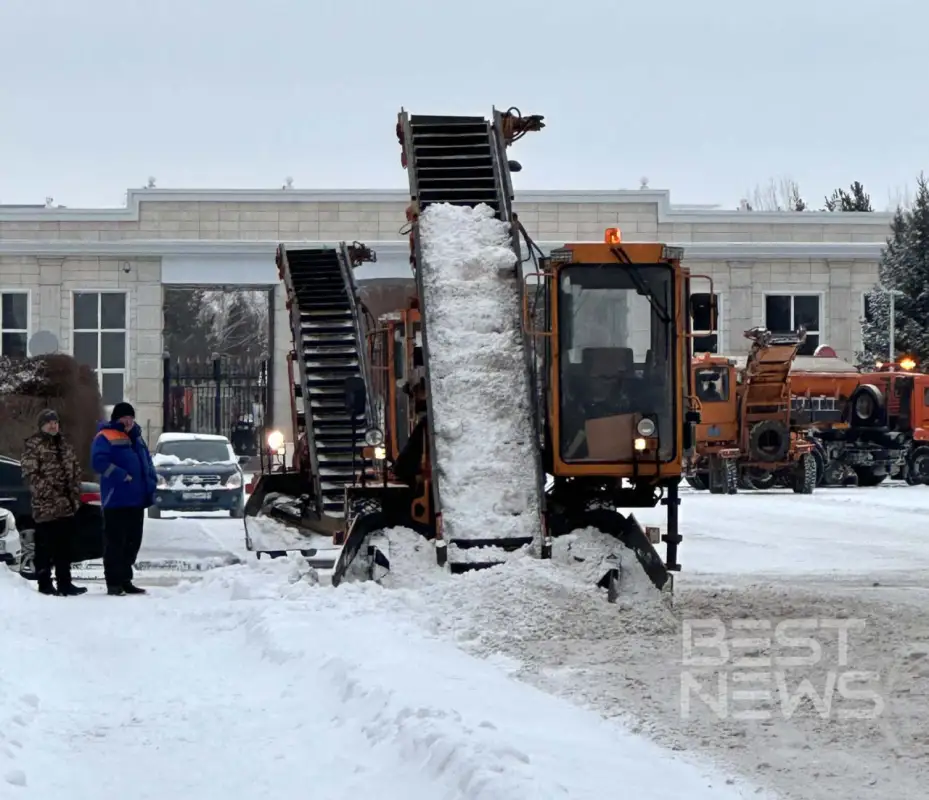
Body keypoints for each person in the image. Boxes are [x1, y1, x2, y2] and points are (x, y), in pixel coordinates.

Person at [91, 402, 157, 596]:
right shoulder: (105, 436)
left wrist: (151, 481)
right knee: (115, 542)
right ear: (116, 419)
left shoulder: (137, 437)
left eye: (131, 417)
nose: (128, 421)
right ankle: (113, 582)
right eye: (124, 418)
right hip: (116, 499)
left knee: (132, 542)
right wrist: (121, 475)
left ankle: (125, 579)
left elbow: (146, 461)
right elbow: (98, 462)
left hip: (136, 499)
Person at [20, 410, 88, 596]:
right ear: (41, 425)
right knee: (45, 547)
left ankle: (65, 583)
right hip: (46, 506)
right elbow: (31, 476)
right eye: (49, 422)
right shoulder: (34, 446)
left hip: (66, 506)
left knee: (64, 548)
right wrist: (51, 494)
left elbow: (75, 469)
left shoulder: (64, 445)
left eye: (55, 422)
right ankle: (45, 584)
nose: (53, 425)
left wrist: (73, 493)